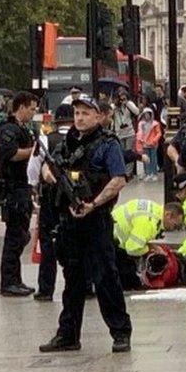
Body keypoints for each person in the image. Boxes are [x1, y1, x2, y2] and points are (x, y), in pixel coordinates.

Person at [38, 95, 132, 354]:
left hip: (96, 219)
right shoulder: (66, 143)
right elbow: (48, 169)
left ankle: (120, 332)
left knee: (105, 278)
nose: (79, 118)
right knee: (73, 280)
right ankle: (68, 335)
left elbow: (119, 179)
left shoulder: (108, 144)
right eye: (77, 113)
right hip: (69, 221)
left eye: (85, 113)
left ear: (98, 116)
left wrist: (93, 203)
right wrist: (53, 178)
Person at [0, 91, 39, 297]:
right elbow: (10, 154)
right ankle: (8, 282)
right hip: (12, 188)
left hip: (22, 186)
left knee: (20, 234)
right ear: (21, 107)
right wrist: (34, 150)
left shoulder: (22, 129)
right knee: (15, 236)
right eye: (31, 108)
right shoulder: (8, 129)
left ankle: (15, 280)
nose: (33, 112)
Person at [27, 103, 74, 302]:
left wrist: (34, 188)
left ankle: (46, 289)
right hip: (75, 198)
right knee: (76, 242)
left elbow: (32, 168)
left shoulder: (46, 140)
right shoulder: (81, 139)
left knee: (48, 243)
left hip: (51, 197)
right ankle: (83, 286)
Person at [111, 198, 166, 290]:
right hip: (113, 241)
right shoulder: (149, 223)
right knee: (127, 281)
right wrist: (148, 250)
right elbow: (131, 249)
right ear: (168, 215)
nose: (174, 229)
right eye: (175, 225)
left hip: (113, 229)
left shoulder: (156, 209)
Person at [135, 108, 162, 181]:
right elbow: (139, 133)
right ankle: (148, 173)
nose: (147, 116)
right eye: (145, 115)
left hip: (153, 145)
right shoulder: (141, 124)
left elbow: (159, 133)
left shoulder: (155, 123)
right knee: (146, 160)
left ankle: (154, 173)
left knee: (153, 159)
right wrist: (140, 141)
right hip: (145, 144)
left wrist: (154, 141)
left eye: (148, 114)